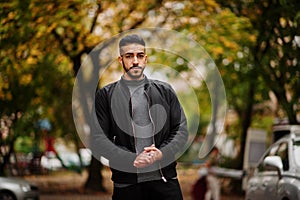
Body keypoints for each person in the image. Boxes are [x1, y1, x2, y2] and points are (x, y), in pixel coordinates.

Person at [93, 34, 188, 200]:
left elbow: (181, 131)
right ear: (120, 60)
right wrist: (132, 158)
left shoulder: (165, 91)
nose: (135, 61)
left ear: (146, 59)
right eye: (129, 56)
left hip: (165, 181)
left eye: (140, 55)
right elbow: (99, 139)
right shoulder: (106, 95)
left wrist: (162, 153)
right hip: (127, 185)